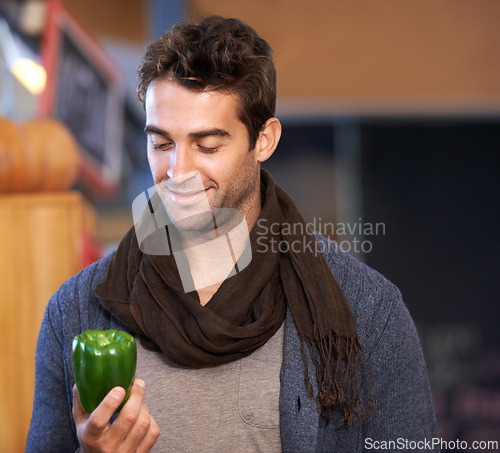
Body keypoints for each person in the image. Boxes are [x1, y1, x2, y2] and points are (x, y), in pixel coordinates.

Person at [27, 15, 438, 452]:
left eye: (207, 145)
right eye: (162, 143)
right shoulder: (74, 311)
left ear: (263, 140)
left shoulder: (369, 311)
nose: (178, 172)